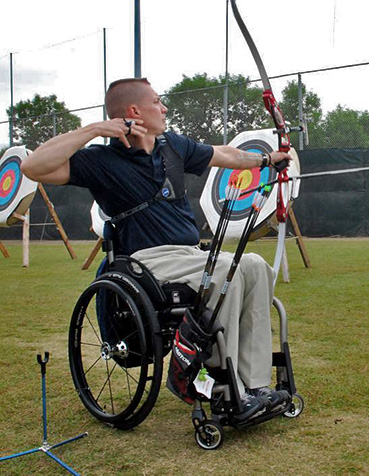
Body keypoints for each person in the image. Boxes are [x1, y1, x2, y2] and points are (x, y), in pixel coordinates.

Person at [21, 77, 292, 422]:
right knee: (227, 272)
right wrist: (92, 129)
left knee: (254, 265)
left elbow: (225, 154)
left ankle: (256, 387)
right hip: (146, 262)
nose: (164, 108)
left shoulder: (172, 146)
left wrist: (268, 159)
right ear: (134, 111)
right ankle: (224, 388)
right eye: (157, 102)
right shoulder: (100, 160)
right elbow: (32, 167)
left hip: (191, 254)